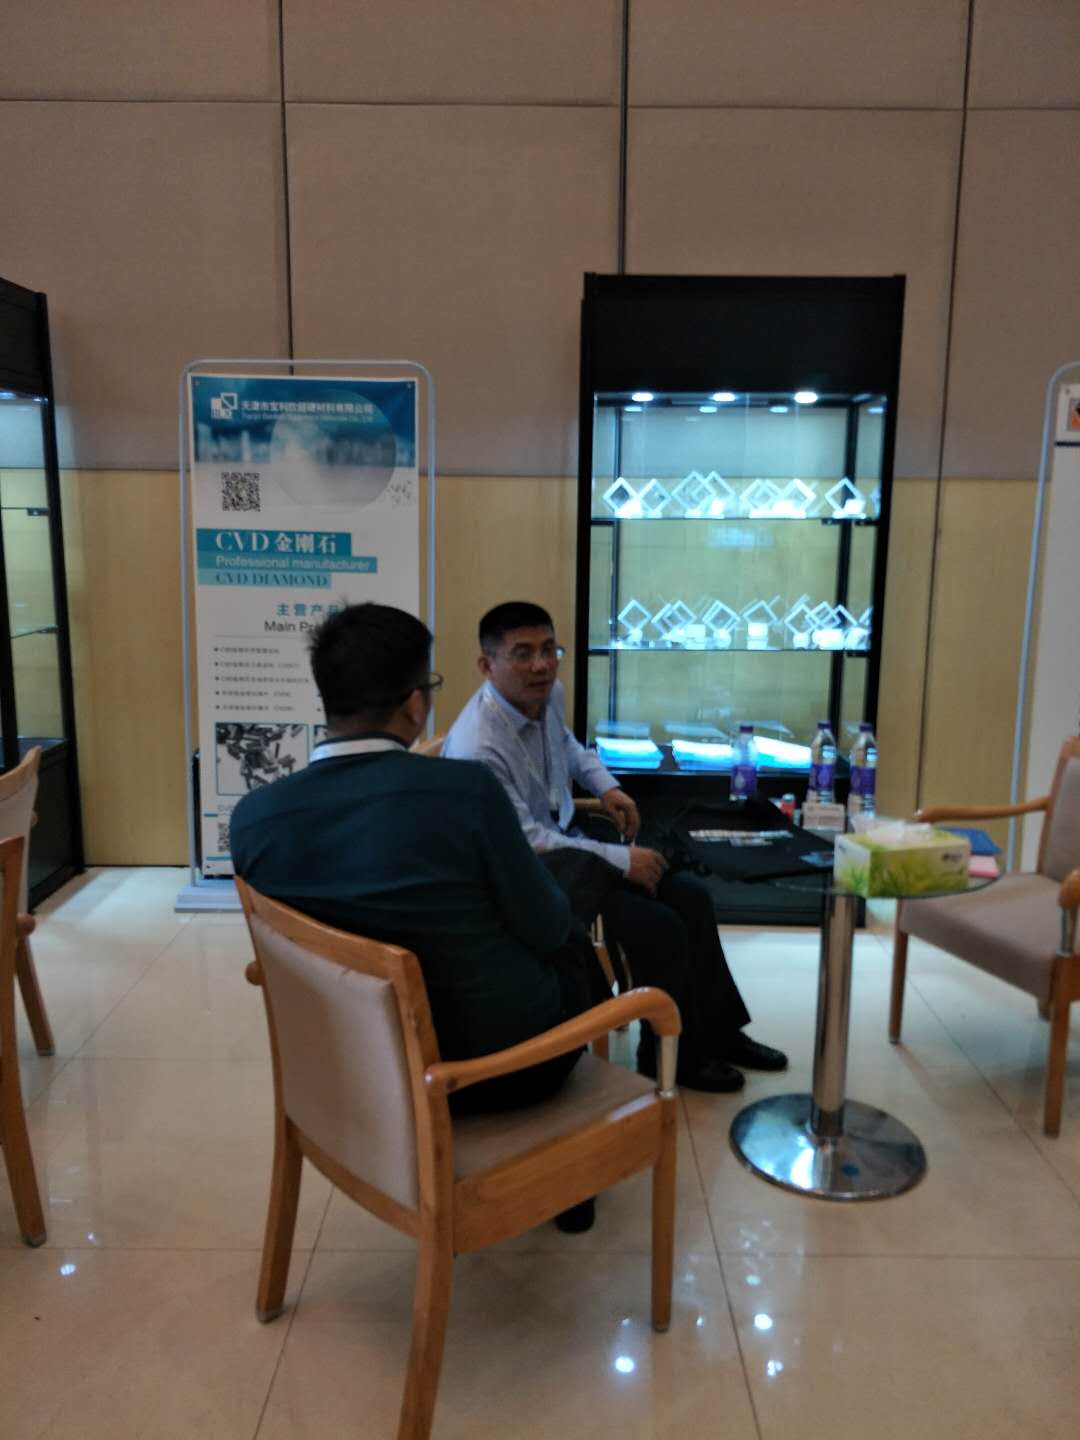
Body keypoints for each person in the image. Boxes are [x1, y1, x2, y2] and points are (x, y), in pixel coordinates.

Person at [229, 603, 608, 1132]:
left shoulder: (252, 820)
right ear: (414, 705)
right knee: (567, 915)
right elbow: (545, 930)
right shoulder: (466, 791)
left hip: (348, 1070)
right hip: (500, 1069)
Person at [443, 601, 789, 1093]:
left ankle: (718, 1031)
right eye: (522, 654)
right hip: (526, 871)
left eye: (548, 649)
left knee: (691, 895)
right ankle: (672, 1054)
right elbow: (527, 842)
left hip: (571, 839)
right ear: (486, 665)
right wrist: (622, 861)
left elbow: (567, 746)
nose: (541, 665)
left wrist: (607, 786)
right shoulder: (478, 746)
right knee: (658, 924)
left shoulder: (547, 694)